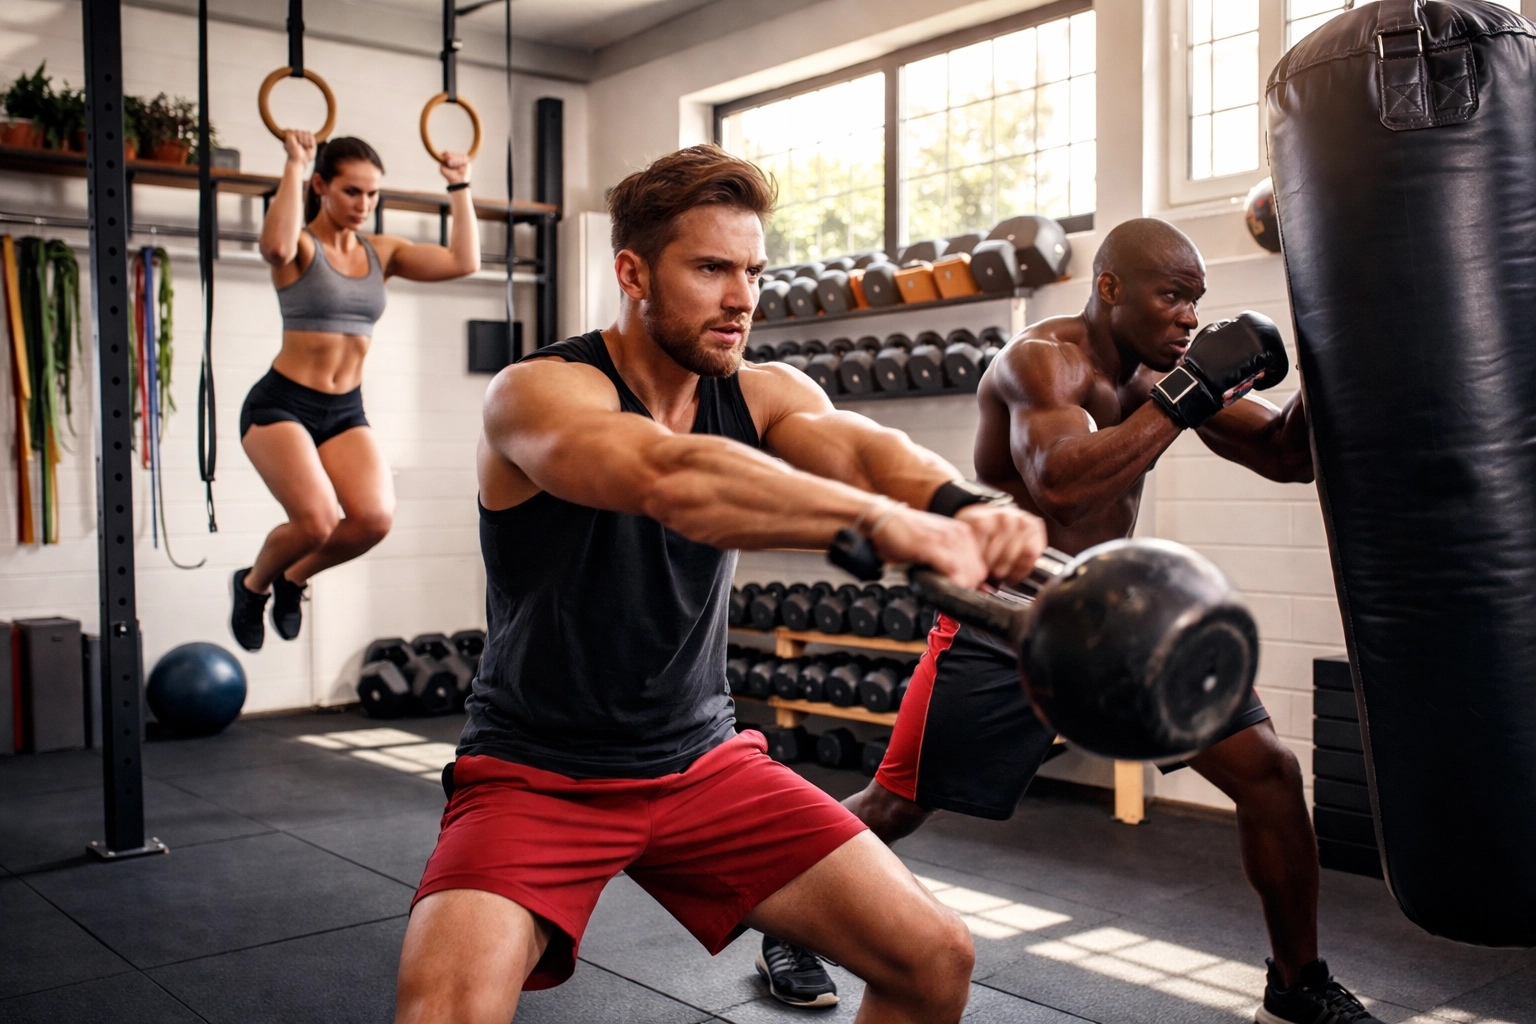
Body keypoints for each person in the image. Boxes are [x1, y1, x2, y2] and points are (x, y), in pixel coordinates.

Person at [392, 144, 1051, 1024]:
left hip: (703, 763)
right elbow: (668, 478)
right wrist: (877, 523)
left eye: (752, 271)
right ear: (633, 272)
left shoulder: (763, 392)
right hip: (535, 774)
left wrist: (959, 501)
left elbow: (857, 446)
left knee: (935, 957)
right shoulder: (538, 393)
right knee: (442, 1015)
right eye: (710, 269)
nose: (742, 298)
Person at [774, 219, 1385, 1024]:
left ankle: (1298, 981)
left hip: (1120, 615)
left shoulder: (1163, 376)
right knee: (899, 804)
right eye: (1172, 297)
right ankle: (785, 917)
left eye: (1196, 302)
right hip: (1005, 620)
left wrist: (1327, 358)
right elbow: (1063, 486)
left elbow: (1284, 455)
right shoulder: (1041, 361)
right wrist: (1187, 393)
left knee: (1268, 774)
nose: (1189, 319)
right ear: (1109, 289)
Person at [230, 131, 480, 652]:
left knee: (372, 520)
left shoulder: (381, 252)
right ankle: (253, 585)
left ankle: (292, 579)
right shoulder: (301, 246)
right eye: (351, 192)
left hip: (344, 409)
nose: (364, 204)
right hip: (281, 405)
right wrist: (295, 162)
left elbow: (463, 262)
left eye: (372, 194)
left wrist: (460, 184)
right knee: (316, 521)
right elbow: (272, 246)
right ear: (322, 185)